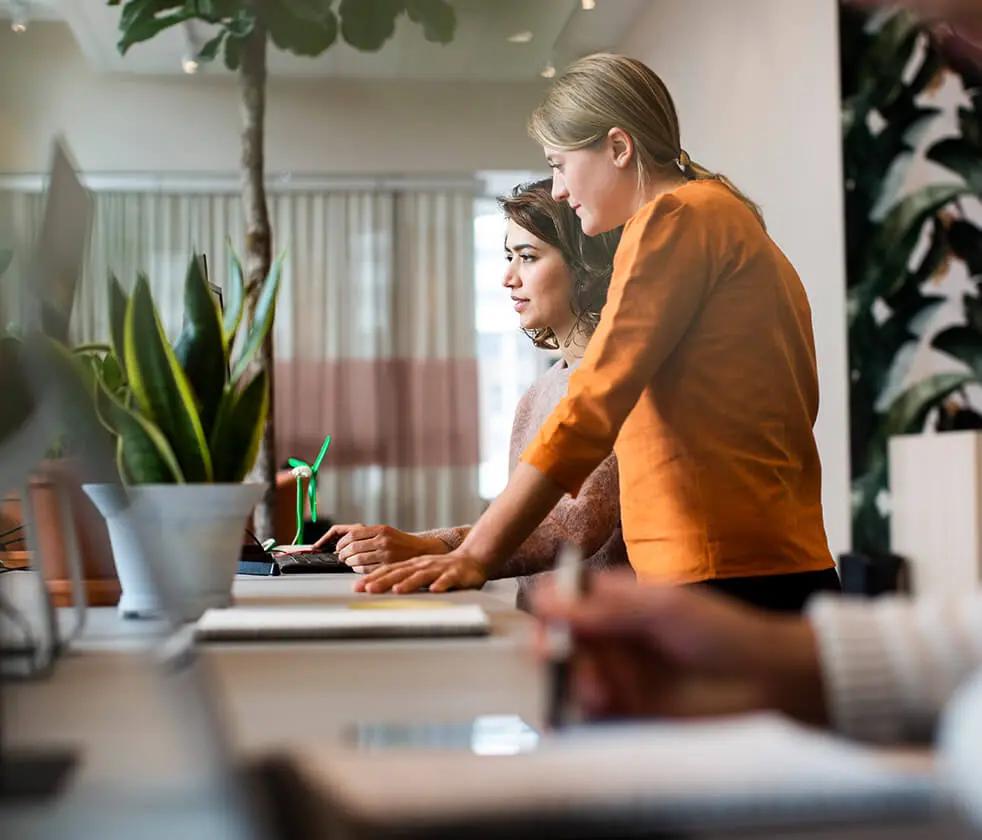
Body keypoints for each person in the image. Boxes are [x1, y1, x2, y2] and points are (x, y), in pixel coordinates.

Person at [356, 53, 839, 611]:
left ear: (618, 147)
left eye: (559, 164)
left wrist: (475, 555)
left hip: (726, 579)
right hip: (767, 567)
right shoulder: (726, 218)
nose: (558, 189)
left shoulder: (674, 219)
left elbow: (592, 406)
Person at [312, 179, 629, 607]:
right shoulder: (540, 392)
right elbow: (524, 519)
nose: (507, 277)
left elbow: (573, 526)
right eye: (508, 257)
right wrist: (415, 543)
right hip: (540, 628)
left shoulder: (618, 380)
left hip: (602, 641)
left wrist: (432, 547)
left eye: (528, 257)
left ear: (584, 267)